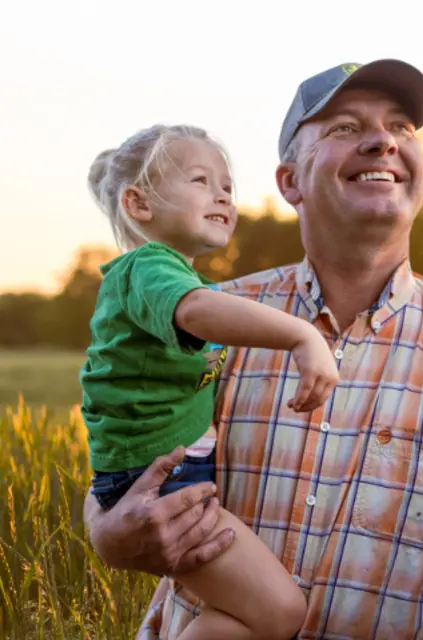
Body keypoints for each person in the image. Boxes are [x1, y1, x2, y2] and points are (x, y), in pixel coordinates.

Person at [84, 60, 423, 640]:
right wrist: (109, 533)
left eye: (402, 127)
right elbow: (120, 464)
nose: (382, 141)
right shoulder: (209, 318)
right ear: (290, 182)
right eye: (345, 128)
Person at [81, 123, 340, 639]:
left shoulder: (178, 278)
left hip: (164, 475)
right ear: (138, 204)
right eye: (200, 180)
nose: (222, 194)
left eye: (227, 185)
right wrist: (301, 336)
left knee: (256, 616)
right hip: (162, 484)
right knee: (280, 612)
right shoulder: (149, 268)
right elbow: (198, 311)